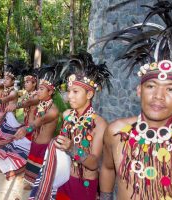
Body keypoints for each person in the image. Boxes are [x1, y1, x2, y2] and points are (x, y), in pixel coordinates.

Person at [95, 2, 172, 200]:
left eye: (171, 89)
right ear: (139, 90)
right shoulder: (115, 132)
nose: (158, 95)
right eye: (151, 86)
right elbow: (107, 168)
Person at [29, 52, 112, 200]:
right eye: (68, 91)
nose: (69, 96)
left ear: (89, 94)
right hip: (63, 177)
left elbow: (93, 164)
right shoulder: (67, 114)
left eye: (75, 92)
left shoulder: (99, 124)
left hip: (84, 183)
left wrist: (72, 148)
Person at [15, 65, 61, 190]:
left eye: (41, 89)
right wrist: (30, 111)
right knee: (30, 181)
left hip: (44, 147)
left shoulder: (53, 110)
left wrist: (26, 130)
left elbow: (38, 122)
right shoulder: (40, 104)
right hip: (35, 143)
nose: (38, 91)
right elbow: (31, 116)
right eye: (38, 89)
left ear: (50, 92)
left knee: (41, 183)